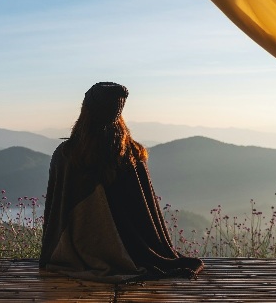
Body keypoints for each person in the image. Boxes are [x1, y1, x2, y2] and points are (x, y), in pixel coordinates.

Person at [39, 82, 204, 283]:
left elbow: (57, 212)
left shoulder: (67, 155)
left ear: (85, 110)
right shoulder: (132, 154)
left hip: (81, 247)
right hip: (134, 250)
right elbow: (143, 215)